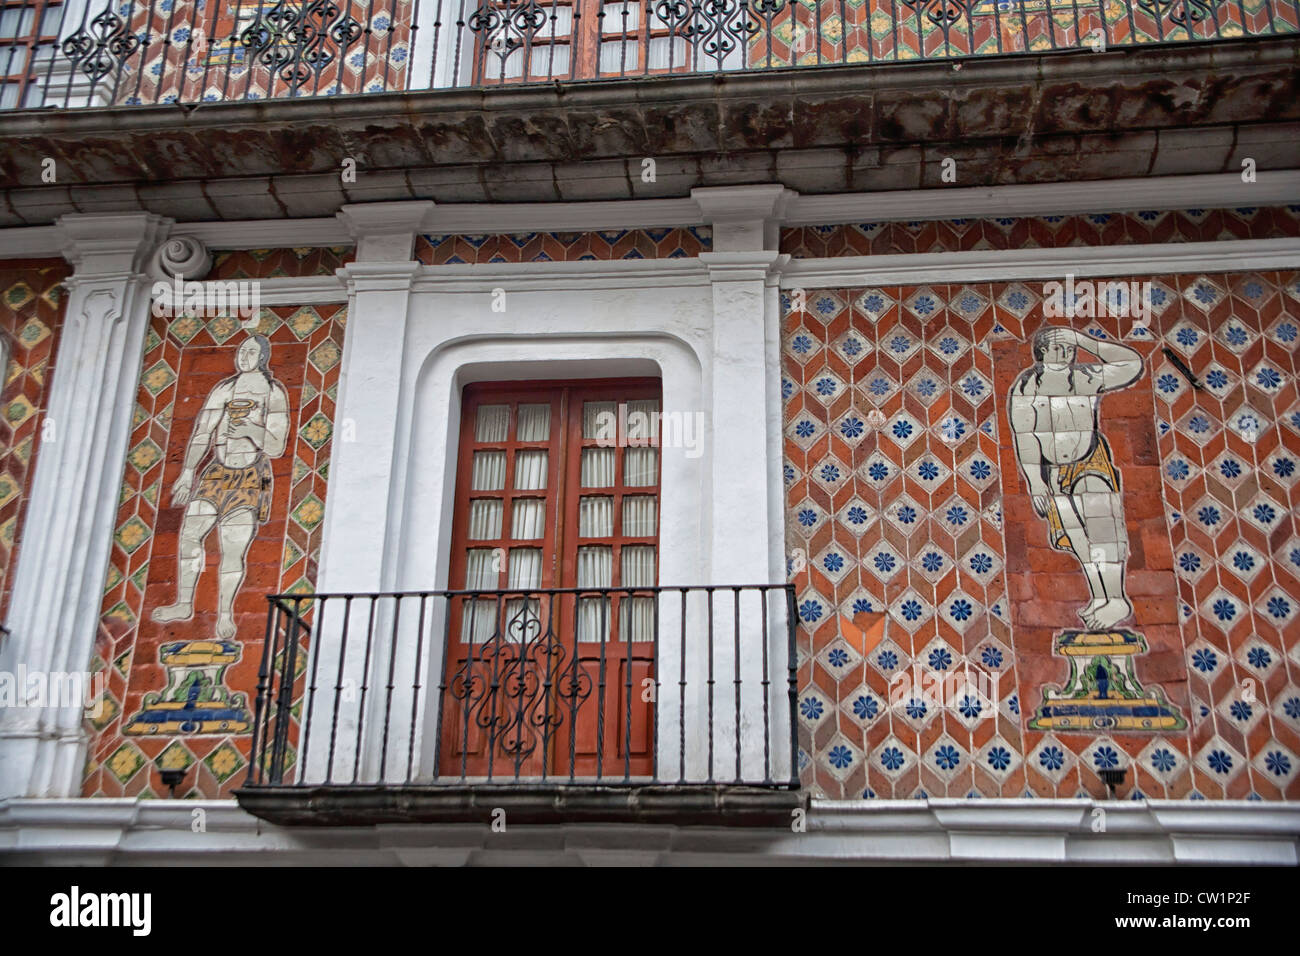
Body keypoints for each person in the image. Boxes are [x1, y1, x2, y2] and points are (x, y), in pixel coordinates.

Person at [151, 334, 289, 639]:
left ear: (263, 356)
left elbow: (277, 447)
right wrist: (188, 471)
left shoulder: (272, 392)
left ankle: (225, 613)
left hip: (250, 477)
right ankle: (184, 603)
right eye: (241, 351)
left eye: (251, 352)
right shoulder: (224, 389)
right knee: (190, 534)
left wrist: (252, 428)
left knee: (233, 549)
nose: (244, 357)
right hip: (216, 472)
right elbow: (203, 431)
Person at [1008, 325, 1144, 631]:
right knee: (1079, 538)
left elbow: (1131, 365)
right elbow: (1025, 435)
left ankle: (1117, 598)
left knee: (1102, 526)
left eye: (1069, 348)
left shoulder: (1084, 377)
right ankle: (1101, 596)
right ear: (1041, 352)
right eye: (1058, 348)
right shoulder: (1027, 386)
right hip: (1054, 472)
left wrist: (1088, 342)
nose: (1066, 353)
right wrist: (1035, 481)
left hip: (1090, 461)